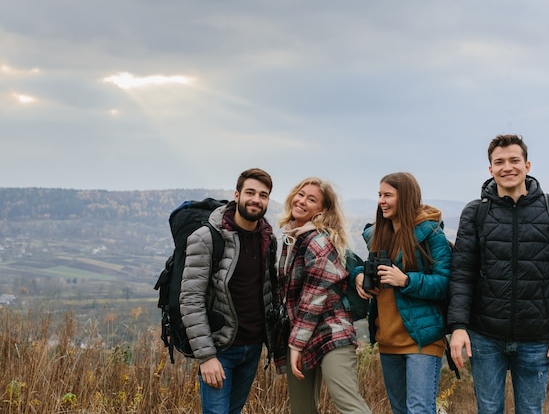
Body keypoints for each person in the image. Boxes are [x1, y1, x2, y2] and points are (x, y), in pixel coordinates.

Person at [448, 134, 549, 414]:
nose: (507, 167)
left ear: (527, 165)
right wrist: (458, 327)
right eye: (499, 162)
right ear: (490, 169)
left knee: (531, 411)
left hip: (536, 337)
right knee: (488, 410)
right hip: (484, 336)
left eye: (514, 160)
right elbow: (462, 273)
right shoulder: (475, 213)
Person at [179, 168, 278, 414]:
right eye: (250, 192)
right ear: (237, 195)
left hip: (252, 347)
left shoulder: (268, 238)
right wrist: (206, 357)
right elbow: (191, 299)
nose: (256, 199)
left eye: (263, 195)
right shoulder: (207, 237)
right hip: (220, 349)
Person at [354, 172, 452, 414]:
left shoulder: (432, 235)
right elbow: (367, 266)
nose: (381, 201)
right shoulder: (378, 235)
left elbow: (446, 283)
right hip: (387, 338)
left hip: (423, 338)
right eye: (379, 195)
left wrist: (406, 280)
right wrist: (358, 275)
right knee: (399, 410)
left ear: (406, 198)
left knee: (419, 410)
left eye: (388, 195)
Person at [273, 177, 371, 414]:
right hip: (301, 333)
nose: (302, 201)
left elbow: (313, 299)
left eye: (312, 199)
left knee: (349, 405)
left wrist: (295, 345)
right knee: (302, 409)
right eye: (300, 194)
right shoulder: (293, 237)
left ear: (323, 210)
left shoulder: (318, 241)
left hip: (330, 332)